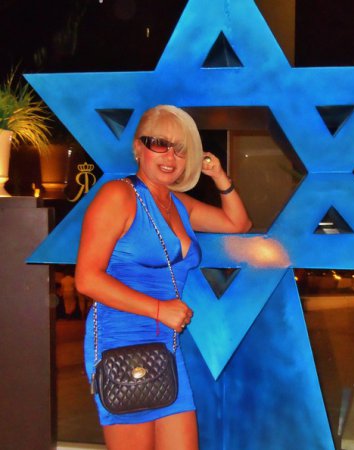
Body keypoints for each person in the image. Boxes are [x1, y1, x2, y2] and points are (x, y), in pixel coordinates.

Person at [75, 105, 251, 450]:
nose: (171, 156)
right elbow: (87, 279)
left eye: (181, 149)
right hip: (120, 340)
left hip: (165, 345)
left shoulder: (178, 204)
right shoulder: (118, 196)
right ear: (138, 147)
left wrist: (219, 176)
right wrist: (159, 309)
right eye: (160, 144)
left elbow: (238, 224)